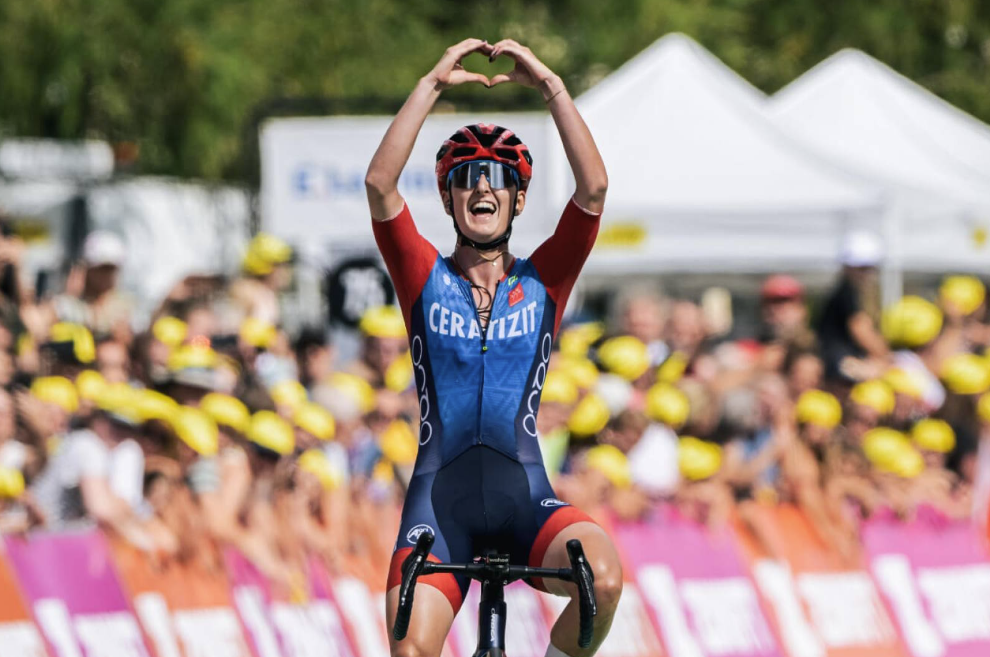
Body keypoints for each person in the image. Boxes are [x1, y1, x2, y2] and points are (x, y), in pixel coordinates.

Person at [365, 38, 621, 657]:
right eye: (466, 179)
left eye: (500, 178)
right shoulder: (424, 276)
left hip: (525, 495)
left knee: (604, 582)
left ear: (518, 199)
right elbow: (379, 184)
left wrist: (552, 85)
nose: (484, 187)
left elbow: (593, 189)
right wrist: (431, 83)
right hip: (439, 503)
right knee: (410, 649)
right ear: (449, 199)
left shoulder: (543, 280)